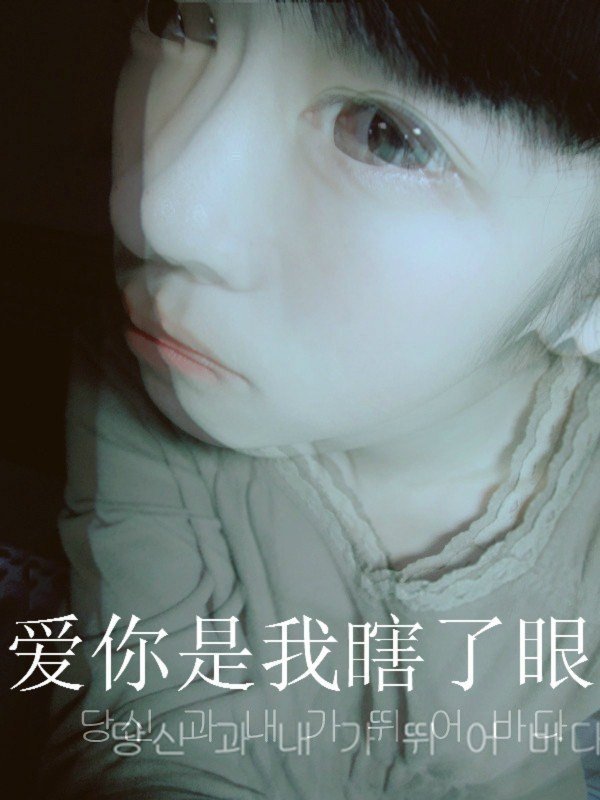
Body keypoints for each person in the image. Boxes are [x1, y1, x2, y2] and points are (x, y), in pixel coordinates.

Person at [43, 1, 600, 798]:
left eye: (386, 135)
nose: (157, 211)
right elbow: (152, 723)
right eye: (184, 21)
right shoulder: (148, 370)